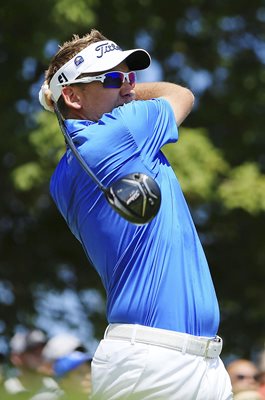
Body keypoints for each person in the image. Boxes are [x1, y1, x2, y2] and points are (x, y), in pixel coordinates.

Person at [38, 28, 233, 399]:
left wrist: (108, 90)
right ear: (72, 95)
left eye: (130, 76)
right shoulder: (125, 130)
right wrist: (130, 95)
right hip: (156, 362)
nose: (128, 87)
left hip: (189, 361)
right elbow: (181, 94)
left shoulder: (63, 176)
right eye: (112, 78)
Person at [3, 329, 61, 399]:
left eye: (42, 350)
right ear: (17, 358)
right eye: (33, 352)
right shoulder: (6, 391)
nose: (41, 355)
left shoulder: (57, 389)